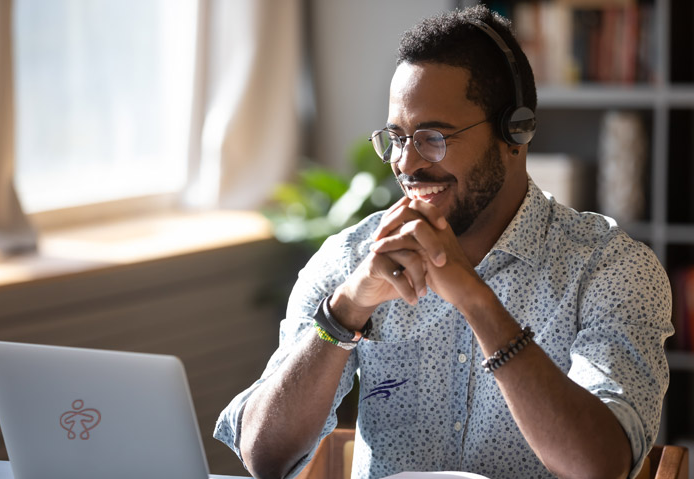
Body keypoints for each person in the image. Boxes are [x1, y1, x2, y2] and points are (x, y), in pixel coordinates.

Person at [214, 6, 673, 479]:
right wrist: (346, 310)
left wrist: (477, 301)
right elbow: (263, 458)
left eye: (433, 137)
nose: (406, 164)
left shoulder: (611, 268)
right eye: (396, 137)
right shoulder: (353, 259)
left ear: (515, 132)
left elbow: (600, 467)